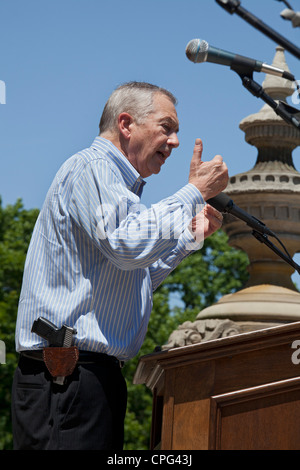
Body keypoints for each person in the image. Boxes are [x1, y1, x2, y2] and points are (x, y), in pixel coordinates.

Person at [11, 81, 228, 450]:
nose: (174, 141)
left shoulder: (120, 187)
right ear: (126, 124)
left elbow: (133, 274)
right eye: (166, 127)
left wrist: (189, 237)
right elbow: (127, 246)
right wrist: (193, 192)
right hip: (66, 377)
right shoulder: (93, 167)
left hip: (89, 379)